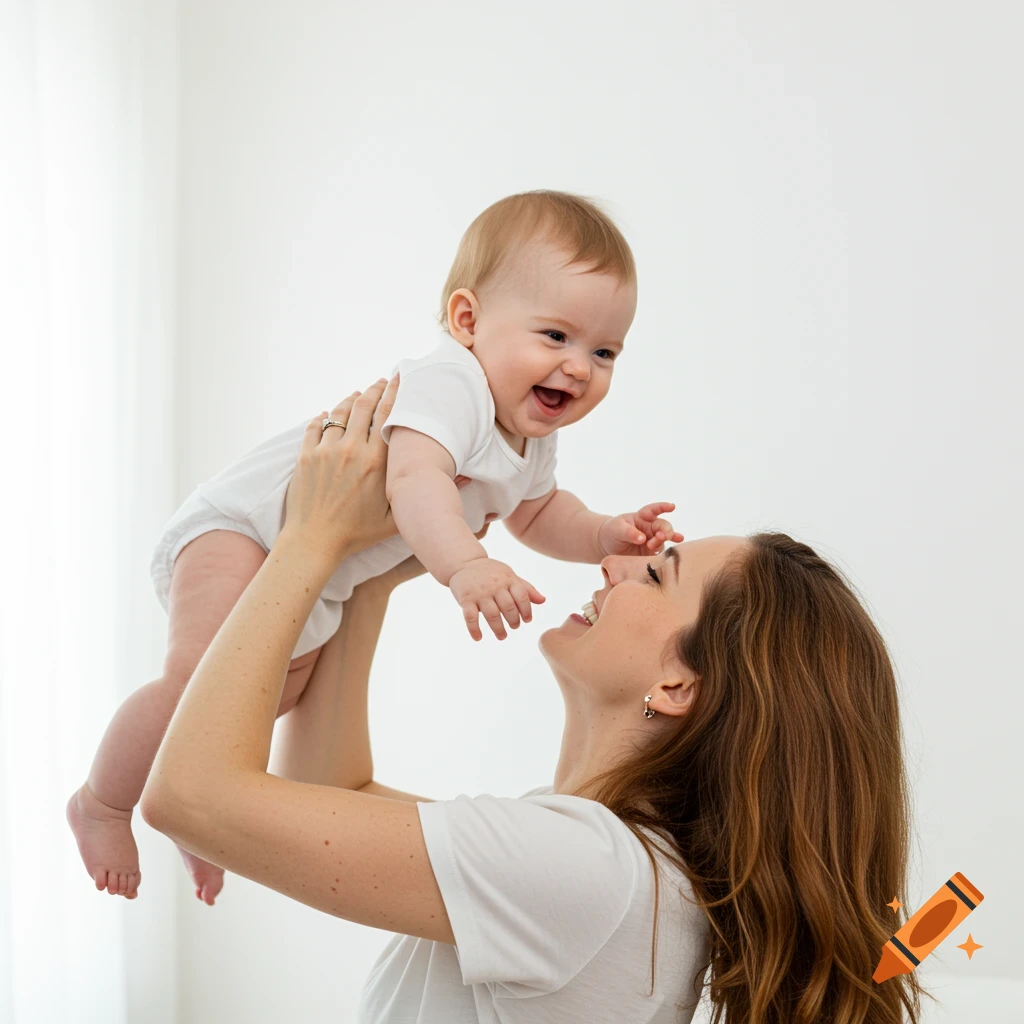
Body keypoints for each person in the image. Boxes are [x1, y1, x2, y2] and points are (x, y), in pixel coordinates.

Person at [140, 378, 924, 1024]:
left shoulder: (589, 871)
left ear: (679, 684)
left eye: (656, 576)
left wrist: (310, 536)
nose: (617, 568)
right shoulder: (612, 866)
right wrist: (371, 565)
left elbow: (190, 797)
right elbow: (323, 791)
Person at [65, 189, 682, 904]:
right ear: (467, 320)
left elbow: (539, 512)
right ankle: (102, 803)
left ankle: (192, 811)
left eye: (604, 352)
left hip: (315, 568)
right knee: (201, 681)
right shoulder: (452, 386)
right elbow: (414, 483)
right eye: (556, 337)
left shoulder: (526, 437)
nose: (579, 367)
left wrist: (604, 531)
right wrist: (465, 566)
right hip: (246, 530)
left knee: (260, 700)